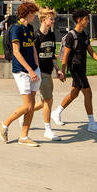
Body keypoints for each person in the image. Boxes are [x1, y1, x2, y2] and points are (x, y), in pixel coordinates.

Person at [50, 8, 97, 134]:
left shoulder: (84, 34)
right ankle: (91, 123)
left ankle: (56, 112)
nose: (87, 21)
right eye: (86, 19)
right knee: (88, 93)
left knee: (74, 94)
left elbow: (90, 50)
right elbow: (65, 56)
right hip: (75, 69)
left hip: (82, 68)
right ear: (79, 20)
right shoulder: (71, 36)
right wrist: (63, 71)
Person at [0, 1, 42, 147]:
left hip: (34, 69)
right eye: (33, 14)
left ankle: (24, 136)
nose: (34, 17)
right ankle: (5, 124)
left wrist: (36, 66)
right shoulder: (15, 29)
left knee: (31, 104)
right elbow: (16, 52)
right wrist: (29, 70)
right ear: (27, 14)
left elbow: (33, 47)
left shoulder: (29, 27)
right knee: (28, 106)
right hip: (22, 71)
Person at [30, 8, 66, 141]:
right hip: (41, 72)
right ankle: (47, 129)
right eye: (51, 19)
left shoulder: (51, 35)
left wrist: (58, 69)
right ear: (44, 20)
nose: (53, 21)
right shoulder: (36, 36)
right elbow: (32, 56)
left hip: (49, 71)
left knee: (43, 101)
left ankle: (25, 112)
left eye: (54, 18)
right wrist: (36, 71)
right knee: (49, 100)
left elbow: (52, 55)